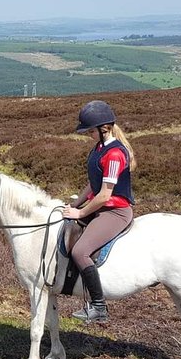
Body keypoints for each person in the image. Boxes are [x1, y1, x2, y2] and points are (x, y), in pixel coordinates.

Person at [62, 100, 136, 322]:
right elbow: (93, 184)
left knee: (80, 251)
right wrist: (76, 204)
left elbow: (105, 194)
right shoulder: (99, 148)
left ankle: (98, 306)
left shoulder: (114, 154)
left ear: (104, 129)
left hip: (116, 212)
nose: (88, 135)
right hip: (100, 207)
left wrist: (81, 213)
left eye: (91, 131)